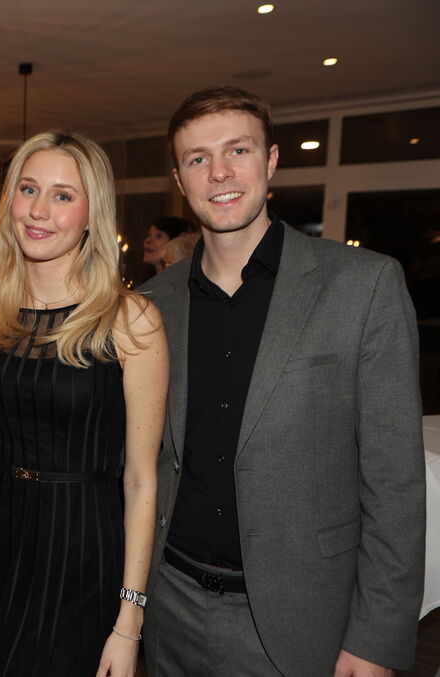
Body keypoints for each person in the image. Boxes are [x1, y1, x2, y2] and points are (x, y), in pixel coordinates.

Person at [141, 85, 425, 676]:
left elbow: (395, 482)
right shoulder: (151, 305)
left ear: (270, 160)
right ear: (180, 179)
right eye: (198, 158)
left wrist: (377, 638)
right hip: (169, 611)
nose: (220, 172)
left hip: (301, 622)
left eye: (238, 150)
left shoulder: (364, 286)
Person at [0, 130, 168, 676]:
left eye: (63, 195)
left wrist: (130, 620)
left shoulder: (131, 321)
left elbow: (142, 482)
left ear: (93, 215)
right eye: (28, 189)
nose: (38, 210)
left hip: (81, 550)